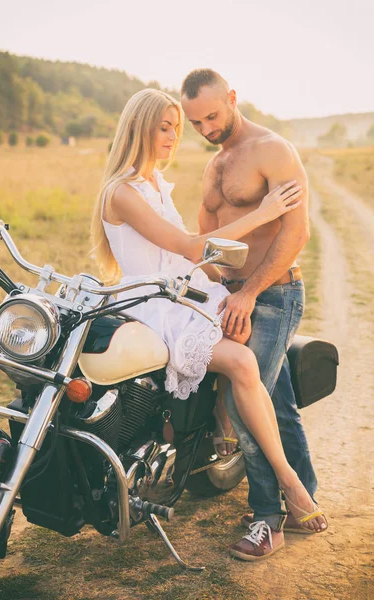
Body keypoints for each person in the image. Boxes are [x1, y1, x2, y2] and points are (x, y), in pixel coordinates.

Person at [91, 88, 327, 561]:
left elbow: (193, 260)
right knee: (244, 367)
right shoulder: (121, 190)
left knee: (265, 386)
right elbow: (186, 246)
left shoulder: (157, 185)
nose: (177, 136)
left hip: (183, 296)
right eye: (167, 126)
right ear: (138, 126)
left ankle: (230, 450)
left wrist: (233, 289)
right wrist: (261, 216)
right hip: (154, 305)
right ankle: (290, 484)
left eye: (180, 127)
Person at [180, 68, 327, 560]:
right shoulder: (215, 163)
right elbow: (209, 229)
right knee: (275, 405)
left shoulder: (272, 149)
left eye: (212, 116)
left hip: (274, 294)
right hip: (232, 295)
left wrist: (250, 292)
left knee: (246, 404)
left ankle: (269, 519)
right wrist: (219, 286)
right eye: (195, 122)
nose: (205, 129)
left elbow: (296, 232)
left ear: (233, 98)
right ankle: (302, 494)